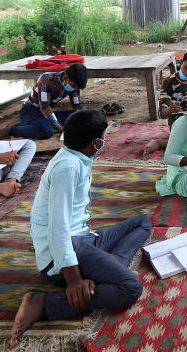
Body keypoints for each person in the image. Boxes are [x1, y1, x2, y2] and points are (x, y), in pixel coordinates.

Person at [11, 110, 152, 346]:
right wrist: (74, 279)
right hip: (64, 254)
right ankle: (43, 303)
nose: (104, 142)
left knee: (142, 223)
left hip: (83, 239)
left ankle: (106, 267)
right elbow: (57, 228)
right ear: (96, 143)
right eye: (104, 138)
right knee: (131, 287)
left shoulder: (75, 156)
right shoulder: (67, 167)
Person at [10, 63, 88, 140]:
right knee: (47, 131)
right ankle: (11, 130)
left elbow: (76, 105)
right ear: (66, 78)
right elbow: (45, 107)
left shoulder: (74, 84)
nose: (75, 88)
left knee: (83, 113)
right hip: (31, 110)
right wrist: (60, 128)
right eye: (74, 86)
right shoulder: (46, 79)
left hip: (48, 113)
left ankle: (48, 123)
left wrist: (81, 116)